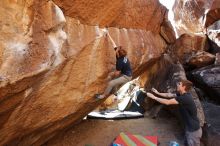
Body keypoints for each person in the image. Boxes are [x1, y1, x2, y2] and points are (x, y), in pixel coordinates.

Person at [146, 79, 202, 146]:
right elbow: (169, 95)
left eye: (179, 84)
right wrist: (157, 93)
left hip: (193, 131)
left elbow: (167, 102)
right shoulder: (181, 94)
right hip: (190, 129)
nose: (177, 85)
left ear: (183, 87)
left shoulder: (185, 98)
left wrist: (154, 97)